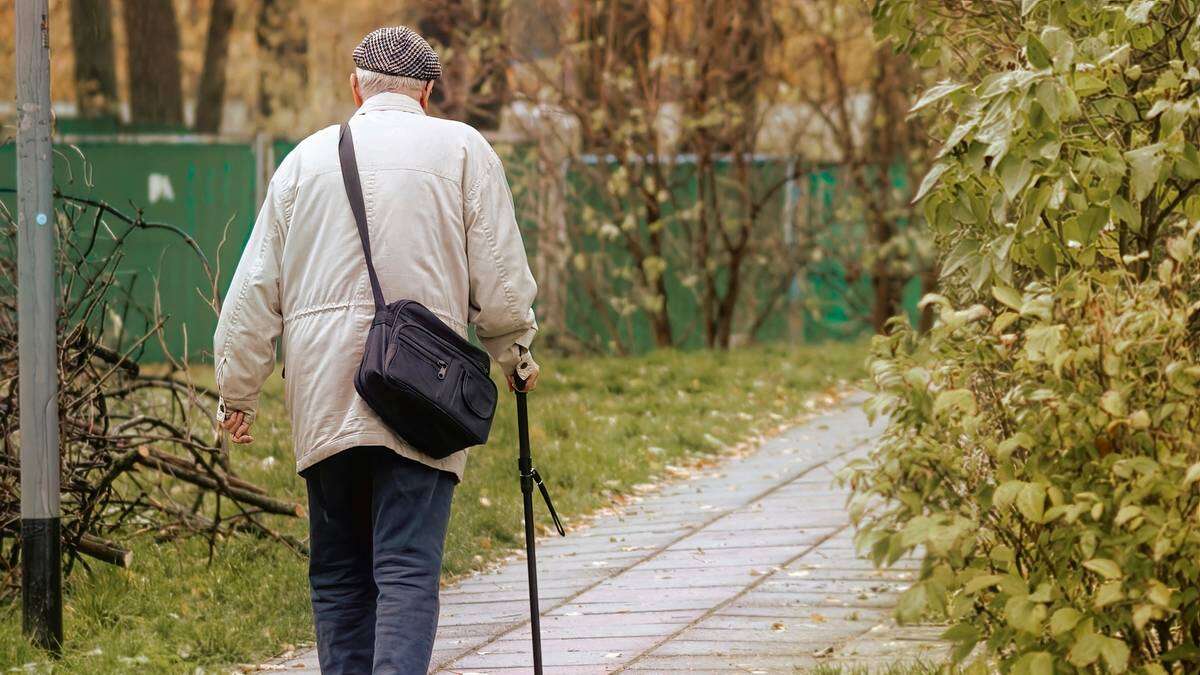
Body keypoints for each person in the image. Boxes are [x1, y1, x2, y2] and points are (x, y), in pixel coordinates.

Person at [212, 26, 540, 674]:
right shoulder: (464, 150)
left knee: (337, 575)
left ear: (355, 85)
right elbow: (499, 279)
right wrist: (516, 354)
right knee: (408, 571)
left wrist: (237, 392)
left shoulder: (303, 161)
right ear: (426, 92)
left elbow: (255, 287)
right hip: (423, 392)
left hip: (326, 397)